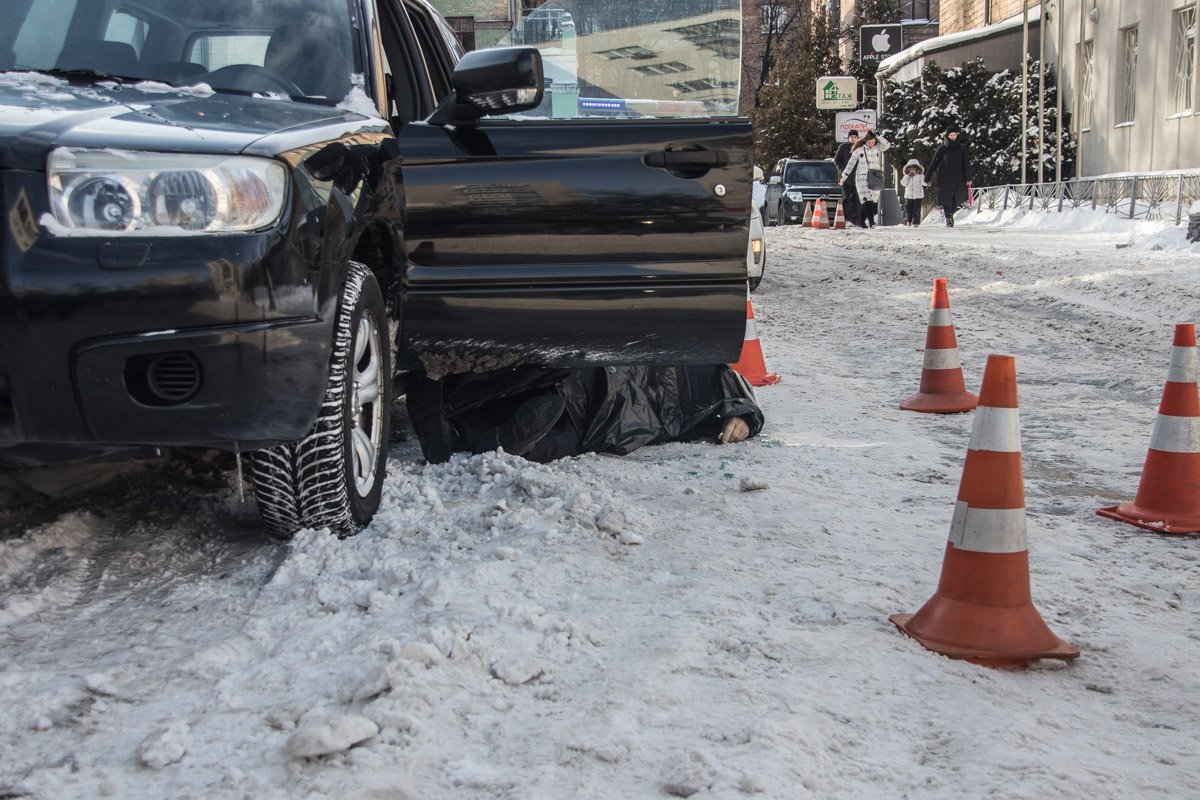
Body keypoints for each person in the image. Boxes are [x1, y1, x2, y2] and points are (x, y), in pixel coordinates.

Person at [405, 364, 764, 464]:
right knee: (550, 412)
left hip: (605, 413)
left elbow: (734, 384)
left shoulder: (703, 361)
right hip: (594, 395)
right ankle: (462, 434)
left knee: (555, 423)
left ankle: (458, 432)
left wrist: (745, 417)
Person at [839, 130, 890, 228]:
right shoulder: (859, 150)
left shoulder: (878, 148)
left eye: (873, 142)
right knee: (866, 198)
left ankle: (861, 220)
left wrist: (878, 136)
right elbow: (851, 163)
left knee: (872, 200)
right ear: (865, 141)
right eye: (869, 142)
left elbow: (887, 145)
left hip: (875, 177)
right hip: (862, 177)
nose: (871, 144)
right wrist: (844, 176)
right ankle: (871, 222)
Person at [927, 123, 971, 227]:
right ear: (947, 136)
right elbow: (934, 163)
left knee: (956, 199)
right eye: (951, 135)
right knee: (946, 199)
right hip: (945, 178)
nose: (953, 137)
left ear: (957, 135)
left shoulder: (961, 148)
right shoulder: (942, 149)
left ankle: (951, 213)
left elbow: (966, 163)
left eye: (954, 135)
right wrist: (927, 176)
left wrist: (968, 177)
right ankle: (948, 218)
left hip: (959, 178)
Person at [834, 130, 862, 227]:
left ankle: (856, 220)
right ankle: (848, 219)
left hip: (858, 178)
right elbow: (837, 160)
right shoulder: (843, 147)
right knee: (846, 199)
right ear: (848, 138)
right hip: (846, 179)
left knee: (857, 200)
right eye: (851, 137)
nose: (853, 138)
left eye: (855, 136)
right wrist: (843, 171)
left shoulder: (860, 148)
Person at [900, 158, 926, 226]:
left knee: (916, 209)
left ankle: (916, 221)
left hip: (918, 195)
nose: (912, 171)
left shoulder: (920, 176)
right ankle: (909, 220)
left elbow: (924, 183)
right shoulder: (906, 177)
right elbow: (903, 183)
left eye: (914, 169)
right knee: (908, 209)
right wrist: (907, 177)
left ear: (917, 169)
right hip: (909, 195)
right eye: (910, 169)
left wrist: (927, 181)